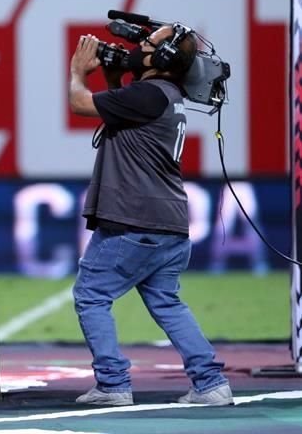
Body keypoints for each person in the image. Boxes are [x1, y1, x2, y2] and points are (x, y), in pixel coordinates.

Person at [67, 25, 233, 407]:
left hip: (135, 221)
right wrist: (113, 75)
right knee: (167, 303)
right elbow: (122, 108)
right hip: (170, 223)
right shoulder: (166, 95)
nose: (137, 47)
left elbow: (80, 104)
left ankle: (113, 384)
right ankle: (211, 383)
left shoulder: (147, 94)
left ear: (162, 59)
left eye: (147, 44)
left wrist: (78, 72)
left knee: (91, 295)